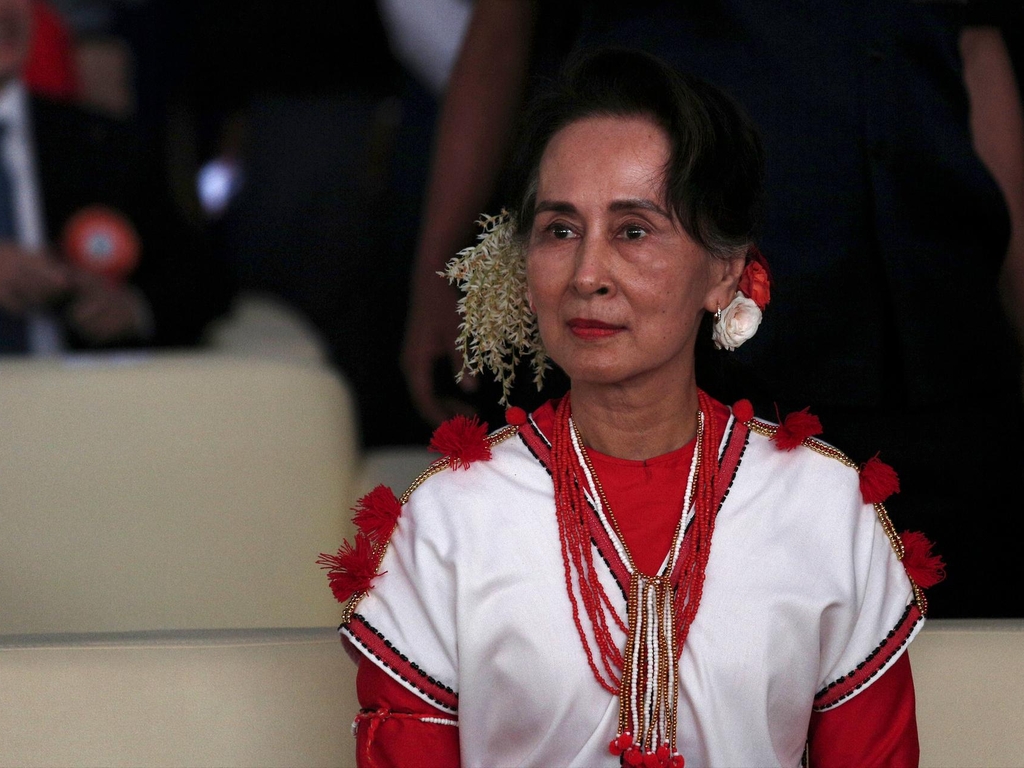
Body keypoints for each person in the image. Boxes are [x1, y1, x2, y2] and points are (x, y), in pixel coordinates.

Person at [320, 48, 942, 767]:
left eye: (633, 230)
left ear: (726, 270)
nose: (587, 274)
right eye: (560, 230)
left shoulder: (821, 509)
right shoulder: (450, 522)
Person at [398, 0, 1024, 619]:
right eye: (557, 234)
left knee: (964, 641)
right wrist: (437, 278)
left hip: (938, 322)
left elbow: (974, 40)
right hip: (695, 326)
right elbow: (501, 30)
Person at [0, 0, 234, 356]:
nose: (6, 10)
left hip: (80, 383)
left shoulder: (101, 142)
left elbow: (201, 278)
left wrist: (132, 308)